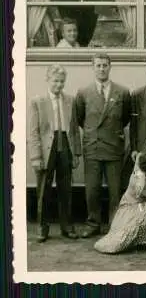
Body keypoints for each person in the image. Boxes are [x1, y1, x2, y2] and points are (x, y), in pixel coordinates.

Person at [75, 53, 132, 238]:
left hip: (114, 146)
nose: (102, 68)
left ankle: (114, 224)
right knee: (92, 189)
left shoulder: (122, 92)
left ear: (110, 67)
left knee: (115, 190)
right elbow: (80, 119)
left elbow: (125, 118)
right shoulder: (83, 92)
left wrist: (111, 133)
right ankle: (93, 223)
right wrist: (95, 134)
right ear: (93, 68)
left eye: (105, 65)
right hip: (93, 146)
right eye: (98, 65)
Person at [28, 65, 81, 242]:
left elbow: (73, 130)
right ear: (48, 80)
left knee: (66, 189)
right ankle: (42, 228)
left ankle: (67, 226)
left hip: (65, 145)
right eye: (55, 81)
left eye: (62, 81)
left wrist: (77, 153)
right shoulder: (38, 101)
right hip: (46, 150)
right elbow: (33, 132)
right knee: (44, 191)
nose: (59, 85)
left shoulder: (70, 100)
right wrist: (35, 157)